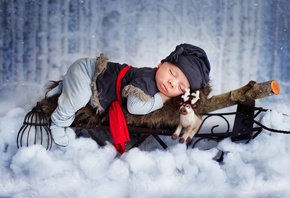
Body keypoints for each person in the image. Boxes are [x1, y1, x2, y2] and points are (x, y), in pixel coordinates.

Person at [46, 43, 211, 147]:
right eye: (172, 73)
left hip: (89, 78)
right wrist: (160, 99)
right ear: (160, 64)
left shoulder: (154, 81)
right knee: (78, 98)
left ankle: (65, 86)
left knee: (79, 91)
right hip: (88, 73)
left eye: (180, 86)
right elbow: (134, 107)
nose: (171, 83)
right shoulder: (146, 80)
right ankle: (58, 122)